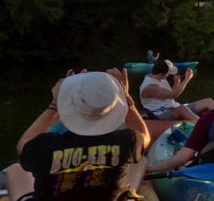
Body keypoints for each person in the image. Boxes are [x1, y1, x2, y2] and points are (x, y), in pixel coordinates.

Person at [4, 69, 151, 201]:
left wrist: (54, 105)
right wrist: (128, 101)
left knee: (15, 169)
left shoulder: (45, 145)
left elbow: (23, 145)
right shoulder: (127, 140)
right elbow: (144, 135)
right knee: (140, 161)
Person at [139, 59, 214, 121]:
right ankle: (204, 127)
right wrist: (187, 79)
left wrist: (176, 83)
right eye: (168, 73)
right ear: (162, 74)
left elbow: (170, 96)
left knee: (208, 101)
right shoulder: (151, 87)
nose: (169, 75)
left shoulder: (160, 78)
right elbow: (174, 94)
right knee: (182, 109)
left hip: (173, 106)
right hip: (160, 113)